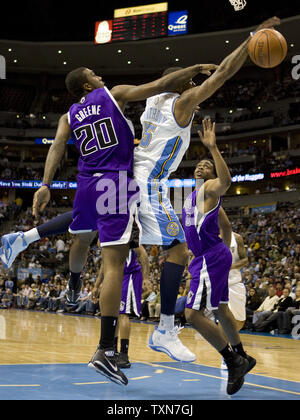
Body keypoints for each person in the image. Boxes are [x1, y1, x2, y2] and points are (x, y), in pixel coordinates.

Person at [4, 65, 204, 387]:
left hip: (85, 182)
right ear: (87, 84)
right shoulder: (114, 95)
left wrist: (44, 184)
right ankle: (106, 350)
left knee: (81, 237)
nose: (100, 77)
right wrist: (194, 71)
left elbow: (57, 146)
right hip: (115, 181)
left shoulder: (68, 116)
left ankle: (33, 247)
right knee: (114, 264)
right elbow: (161, 83)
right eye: (95, 75)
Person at [135, 16, 280, 364]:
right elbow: (222, 75)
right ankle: (167, 329)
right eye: (192, 84)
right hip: (148, 185)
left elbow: (225, 220)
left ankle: (191, 339)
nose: (198, 92)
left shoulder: (150, 105)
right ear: (184, 85)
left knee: (175, 253)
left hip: (135, 183)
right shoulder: (180, 104)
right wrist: (251, 39)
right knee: (179, 254)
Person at [182, 118, 256, 396]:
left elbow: (225, 181)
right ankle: (242, 355)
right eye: (199, 164)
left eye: (207, 165)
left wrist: (213, 148)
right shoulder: (192, 196)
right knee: (221, 310)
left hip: (209, 258)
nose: (202, 166)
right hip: (209, 256)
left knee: (191, 313)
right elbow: (224, 225)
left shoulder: (211, 188)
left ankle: (231, 360)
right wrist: (223, 250)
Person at [219, 232, 249, 370]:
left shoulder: (236, 238)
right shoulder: (207, 235)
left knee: (239, 321)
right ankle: (227, 357)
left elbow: (245, 260)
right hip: (218, 283)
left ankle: (233, 350)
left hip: (235, 283)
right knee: (224, 319)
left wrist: (230, 266)